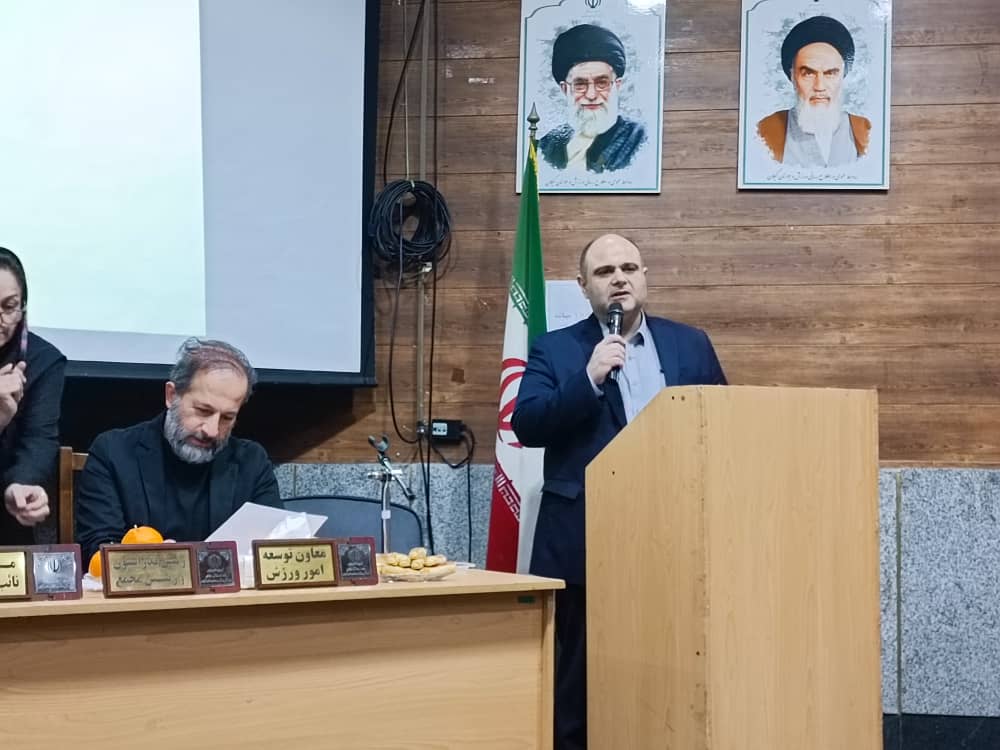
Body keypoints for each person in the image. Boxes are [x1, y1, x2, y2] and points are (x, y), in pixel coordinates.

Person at [511, 234, 726, 750]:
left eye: (629, 268)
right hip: (586, 541)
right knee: (579, 681)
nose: (620, 279)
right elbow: (527, 424)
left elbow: (724, 421)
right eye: (605, 272)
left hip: (676, 535)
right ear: (584, 287)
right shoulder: (555, 349)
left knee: (672, 667)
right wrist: (587, 378)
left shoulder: (690, 343)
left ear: (645, 277)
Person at [75, 337, 281, 559]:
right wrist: (158, 562)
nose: (212, 430)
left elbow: (275, 546)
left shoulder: (252, 462)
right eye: (203, 410)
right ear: (171, 395)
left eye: (227, 418)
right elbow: (98, 550)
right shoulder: (114, 453)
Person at [0, 248, 67, 544]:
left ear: (23, 307)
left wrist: (22, 483)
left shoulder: (44, 361)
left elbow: (39, 439)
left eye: (9, 307)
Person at [757, 15, 871, 167]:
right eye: (808, 74)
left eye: (830, 73)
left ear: (843, 76)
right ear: (792, 77)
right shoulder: (764, 131)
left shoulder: (866, 130)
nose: (819, 86)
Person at [539, 24, 646, 173]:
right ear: (565, 89)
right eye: (580, 84)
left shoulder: (639, 141)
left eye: (602, 83)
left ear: (617, 86)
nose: (591, 95)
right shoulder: (546, 147)